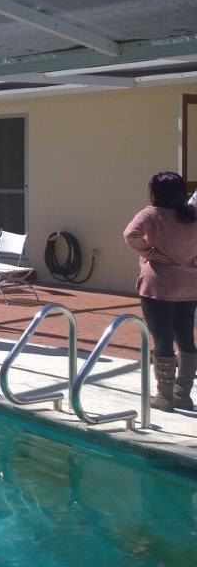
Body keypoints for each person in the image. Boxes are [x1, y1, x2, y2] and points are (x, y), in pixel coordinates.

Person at [123, 171, 197, 412]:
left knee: (163, 338)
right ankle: (183, 394)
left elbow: (130, 235)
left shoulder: (152, 214)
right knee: (186, 337)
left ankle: (164, 397)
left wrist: (150, 252)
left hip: (158, 285)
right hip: (189, 284)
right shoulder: (192, 214)